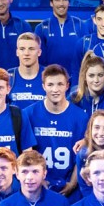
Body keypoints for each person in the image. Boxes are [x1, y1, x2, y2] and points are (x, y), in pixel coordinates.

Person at [23, 65, 88, 196]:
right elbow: (27, 153)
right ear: (43, 86)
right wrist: (38, 179)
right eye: (50, 84)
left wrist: (73, 183)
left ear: (67, 86)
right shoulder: (28, 114)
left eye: (60, 84)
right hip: (38, 185)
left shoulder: (81, 117)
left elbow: (82, 155)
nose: (55, 89)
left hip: (70, 187)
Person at [36, 0, 88, 85]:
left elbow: (87, 55)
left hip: (77, 83)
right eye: (57, 0)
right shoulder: (41, 28)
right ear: (51, 3)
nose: (61, 4)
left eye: (64, 0)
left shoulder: (80, 25)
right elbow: (39, 60)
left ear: (69, 2)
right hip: (52, 83)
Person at [7, 32, 46, 109]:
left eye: (31, 49)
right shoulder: (7, 76)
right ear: (17, 52)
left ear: (39, 52)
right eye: (22, 49)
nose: (26, 53)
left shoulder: (49, 75)